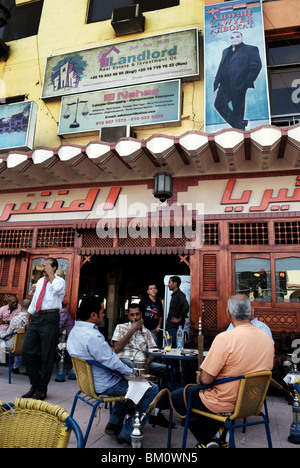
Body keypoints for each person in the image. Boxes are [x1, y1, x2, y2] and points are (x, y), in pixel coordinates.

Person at [171, 294, 274, 448]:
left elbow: (206, 380)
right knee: (195, 395)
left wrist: (200, 377)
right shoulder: (266, 338)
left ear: (228, 313)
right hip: (252, 402)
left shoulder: (225, 338)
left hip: (223, 402)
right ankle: (219, 433)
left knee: (178, 397)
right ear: (251, 312)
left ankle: (209, 439)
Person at [67, 296, 159, 445]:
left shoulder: (74, 331)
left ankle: (114, 423)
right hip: (104, 385)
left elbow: (110, 360)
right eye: (102, 312)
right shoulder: (92, 336)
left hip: (87, 383)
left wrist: (129, 375)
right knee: (151, 389)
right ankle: (127, 433)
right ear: (93, 315)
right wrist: (134, 374)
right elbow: (112, 362)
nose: (104, 314)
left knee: (128, 381)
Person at [112, 303, 171, 428]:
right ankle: (134, 408)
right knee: (134, 369)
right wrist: (132, 330)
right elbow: (116, 348)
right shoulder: (121, 327)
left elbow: (154, 349)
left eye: (137, 314)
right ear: (128, 316)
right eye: (132, 315)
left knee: (168, 370)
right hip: (126, 361)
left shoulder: (146, 332)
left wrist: (148, 362)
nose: (135, 317)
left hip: (144, 363)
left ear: (141, 315)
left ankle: (157, 409)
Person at [22, 258, 66, 401]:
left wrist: (51, 276)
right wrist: (28, 319)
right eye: (43, 265)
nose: (44, 267)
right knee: (26, 351)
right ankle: (35, 384)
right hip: (36, 318)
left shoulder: (60, 281)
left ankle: (41, 390)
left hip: (51, 318)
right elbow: (35, 301)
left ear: (54, 268)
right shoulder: (40, 281)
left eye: (47, 265)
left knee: (46, 356)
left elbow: (57, 290)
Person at [213, 31, 262, 130]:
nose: (234, 39)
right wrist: (218, 81)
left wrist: (246, 83)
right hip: (224, 85)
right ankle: (240, 125)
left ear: (242, 38)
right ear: (230, 39)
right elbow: (222, 66)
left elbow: (256, 66)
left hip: (239, 84)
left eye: (237, 36)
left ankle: (240, 131)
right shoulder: (225, 51)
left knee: (238, 111)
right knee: (219, 104)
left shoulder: (251, 49)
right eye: (232, 37)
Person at [0, 299, 30, 370]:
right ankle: (16, 367)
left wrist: (1, 337)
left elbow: (8, 334)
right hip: (26, 346)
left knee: (4, 342)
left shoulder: (16, 319)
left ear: (21, 307)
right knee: (19, 344)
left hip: (12, 346)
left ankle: (2, 362)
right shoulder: (32, 320)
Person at [165, 276, 189, 348]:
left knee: (172, 350)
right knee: (168, 349)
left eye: (169, 282)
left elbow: (186, 307)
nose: (168, 284)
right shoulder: (174, 295)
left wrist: (179, 319)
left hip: (175, 329)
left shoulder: (180, 295)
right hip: (170, 327)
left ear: (175, 284)